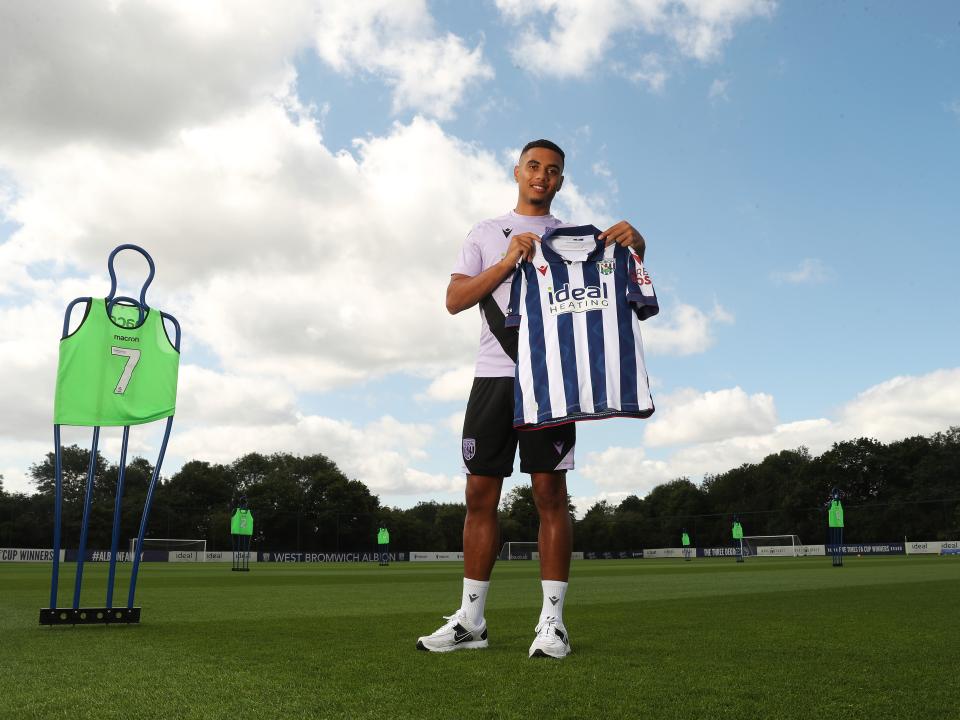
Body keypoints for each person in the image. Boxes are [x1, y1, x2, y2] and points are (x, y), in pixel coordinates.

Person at [415, 139, 647, 659]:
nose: (542, 175)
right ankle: (471, 620)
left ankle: (553, 624)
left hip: (551, 381)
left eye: (553, 170)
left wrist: (636, 246)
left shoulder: (576, 237)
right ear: (517, 171)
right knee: (480, 496)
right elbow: (454, 300)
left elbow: (612, 288)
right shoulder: (483, 232)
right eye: (534, 167)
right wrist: (505, 261)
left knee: (549, 495)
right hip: (494, 378)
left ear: (561, 181)